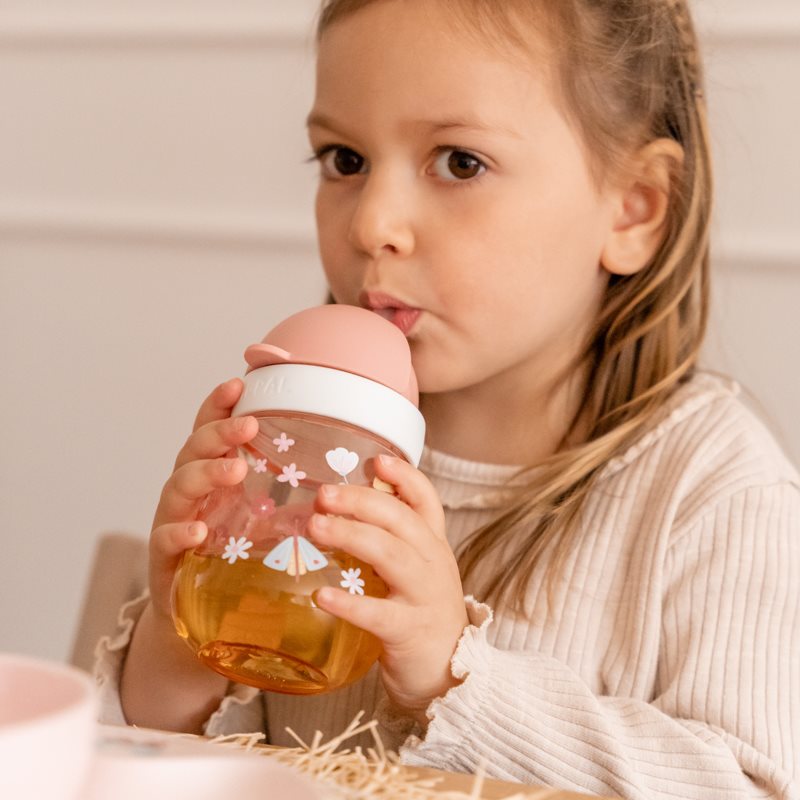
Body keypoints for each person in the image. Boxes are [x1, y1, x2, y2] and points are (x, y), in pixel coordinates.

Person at [96, 0, 800, 797]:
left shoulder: (712, 488)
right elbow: (136, 767)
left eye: (459, 162)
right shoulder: (309, 451)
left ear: (634, 206)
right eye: (344, 160)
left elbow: (747, 786)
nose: (373, 223)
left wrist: (453, 674)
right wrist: (179, 650)